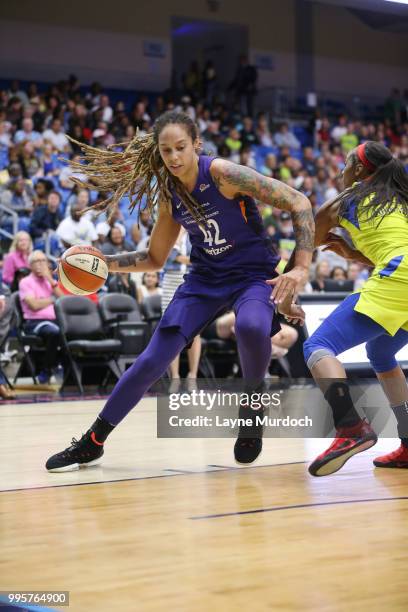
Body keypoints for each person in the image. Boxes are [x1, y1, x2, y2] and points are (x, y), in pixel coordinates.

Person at [45, 109, 313, 472]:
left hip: (252, 275)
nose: (173, 157)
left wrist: (299, 268)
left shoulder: (223, 173)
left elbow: (300, 202)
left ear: (196, 145)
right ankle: (93, 441)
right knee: (152, 361)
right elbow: (155, 257)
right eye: (166, 150)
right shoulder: (170, 194)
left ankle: (252, 409)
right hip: (203, 279)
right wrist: (105, 262)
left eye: (180, 148)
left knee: (250, 326)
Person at [286, 141, 408, 476]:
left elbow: (302, 251)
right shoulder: (399, 199)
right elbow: (392, 247)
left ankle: (350, 427)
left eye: (345, 163)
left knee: (317, 346)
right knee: (382, 354)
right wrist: (353, 256)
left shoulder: (343, 201)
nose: (341, 169)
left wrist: (283, 293)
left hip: (400, 277)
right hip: (402, 275)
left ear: (358, 170)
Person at [162, 227, 201, 381]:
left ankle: (193, 376)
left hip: (193, 280)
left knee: (196, 330)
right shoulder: (168, 230)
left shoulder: (197, 231)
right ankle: (175, 377)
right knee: (172, 329)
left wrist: (181, 257)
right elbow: (170, 254)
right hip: (171, 279)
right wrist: (179, 233)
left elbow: (202, 258)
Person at [19, 251, 63, 383]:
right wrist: (52, 299)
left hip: (53, 321)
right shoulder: (25, 282)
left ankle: (64, 369)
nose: (40, 264)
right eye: (36, 261)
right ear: (30, 265)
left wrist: (49, 279)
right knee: (55, 333)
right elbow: (34, 305)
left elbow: (63, 301)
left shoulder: (50, 282)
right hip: (34, 322)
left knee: (71, 332)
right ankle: (47, 369)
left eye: (43, 261)